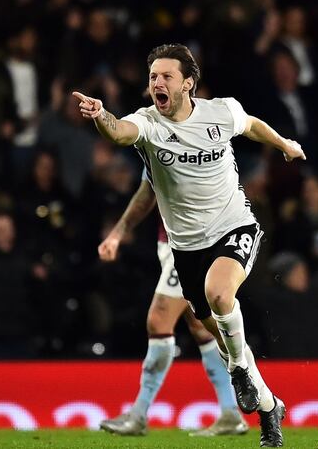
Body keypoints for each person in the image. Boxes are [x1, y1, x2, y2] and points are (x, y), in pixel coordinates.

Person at [74, 43, 306, 447]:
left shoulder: (220, 112)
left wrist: (284, 143)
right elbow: (118, 131)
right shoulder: (148, 123)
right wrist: (101, 116)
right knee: (215, 330)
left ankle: (235, 375)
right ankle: (269, 406)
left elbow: (251, 125)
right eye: (152, 77)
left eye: (166, 76)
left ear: (189, 84)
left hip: (234, 226)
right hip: (187, 248)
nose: (157, 83)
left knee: (219, 296)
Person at [97, 178, 248, 437]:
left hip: (191, 243)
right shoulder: (154, 142)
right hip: (172, 242)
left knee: (159, 320)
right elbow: (148, 190)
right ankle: (231, 413)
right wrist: (118, 233)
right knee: (201, 326)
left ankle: (139, 415)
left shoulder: (180, 142)